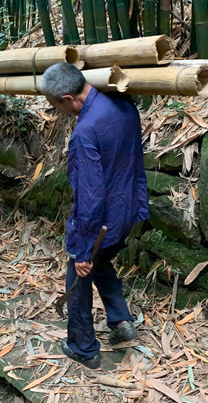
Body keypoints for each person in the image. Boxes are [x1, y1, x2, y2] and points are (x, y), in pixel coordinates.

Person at [39, 63, 149, 369]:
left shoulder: (85, 132)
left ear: (68, 98)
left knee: (80, 273)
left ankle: (83, 347)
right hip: (128, 208)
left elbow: (89, 196)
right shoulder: (123, 105)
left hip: (102, 221)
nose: (60, 113)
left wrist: (83, 248)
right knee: (100, 264)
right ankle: (121, 320)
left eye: (57, 107)